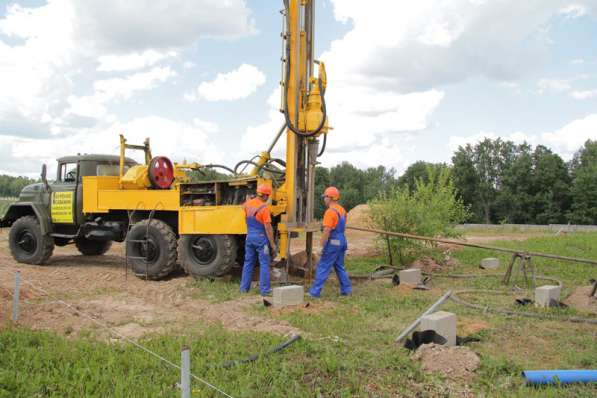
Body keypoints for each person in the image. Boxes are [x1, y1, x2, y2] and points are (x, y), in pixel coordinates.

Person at [308, 186, 352, 298]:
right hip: (342, 240)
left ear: (330, 198)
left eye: (325, 197)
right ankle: (347, 290)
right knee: (339, 266)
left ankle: (314, 292)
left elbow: (327, 231)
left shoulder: (330, 212)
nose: (324, 199)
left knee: (323, 266)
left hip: (333, 242)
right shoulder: (342, 210)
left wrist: (321, 246)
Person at [240, 184, 277, 296]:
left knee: (248, 263)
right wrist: (272, 244)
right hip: (260, 238)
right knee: (264, 263)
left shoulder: (246, 205)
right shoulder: (263, 208)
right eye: (268, 196)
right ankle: (265, 290)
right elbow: (268, 227)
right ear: (265, 196)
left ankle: (244, 288)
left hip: (249, 237)